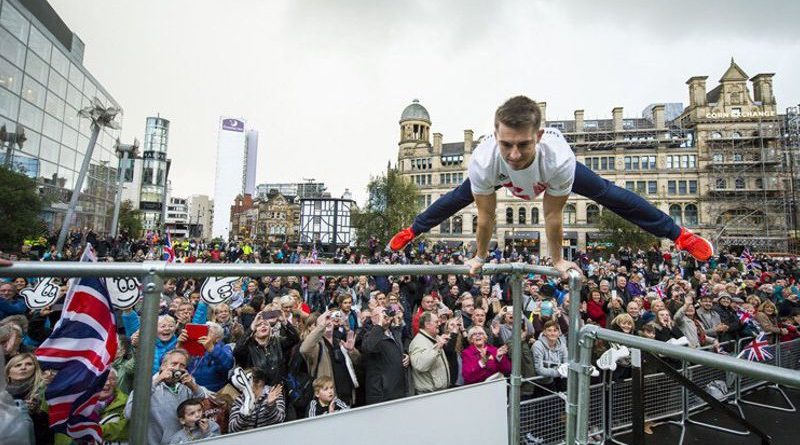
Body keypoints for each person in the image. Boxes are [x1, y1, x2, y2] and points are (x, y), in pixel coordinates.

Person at [388, 96, 714, 275]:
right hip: (499, 179)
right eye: (506, 144)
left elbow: (553, 217)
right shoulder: (486, 158)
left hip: (548, 177)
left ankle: (678, 234)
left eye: (523, 145)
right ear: (496, 136)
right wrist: (480, 256)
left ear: (539, 137)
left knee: (607, 193)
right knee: (459, 196)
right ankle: (412, 230)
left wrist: (558, 260)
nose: (514, 155)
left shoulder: (557, 157)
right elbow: (485, 218)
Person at [124, 349, 206, 445]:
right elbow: (129, 413)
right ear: (163, 366)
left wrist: (192, 386)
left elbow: (202, 400)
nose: (177, 368)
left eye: (182, 365)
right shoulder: (147, 384)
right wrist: (158, 380)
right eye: (174, 364)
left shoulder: (186, 386)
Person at [360, 306, 408, 404]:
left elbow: (397, 350)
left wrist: (406, 356)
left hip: (398, 389)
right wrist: (379, 325)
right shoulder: (368, 334)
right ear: (373, 318)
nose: (385, 317)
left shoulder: (394, 332)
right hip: (382, 393)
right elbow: (369, 347)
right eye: (382, 314)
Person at [409, 311, 451, 394]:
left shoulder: (433, 338)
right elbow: (420, 366)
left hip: (439, 392)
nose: (439, 324)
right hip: (429, 395)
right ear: (427, 325)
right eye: (436, 322)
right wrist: (437, 347)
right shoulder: (418, 342)